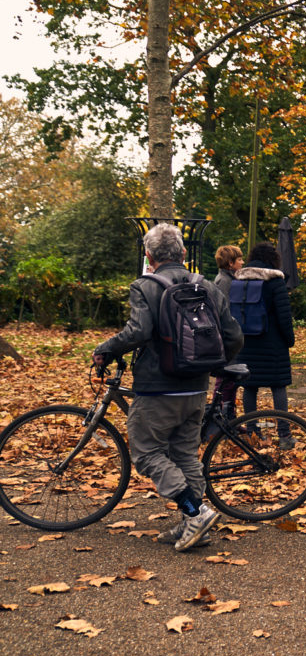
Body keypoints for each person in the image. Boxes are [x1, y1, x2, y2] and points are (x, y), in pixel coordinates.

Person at [92, 223, 242, 552]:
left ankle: (196, 512)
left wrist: (107, 349)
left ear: (148, 256)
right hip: (194, 388)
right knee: (185, 453)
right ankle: (192, 523)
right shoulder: (207, 286)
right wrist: (210, 366)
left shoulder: (145, 286)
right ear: (184, 253)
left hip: (157, 387)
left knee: (146, 453)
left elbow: (139, 330)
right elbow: (234, 337)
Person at [235, 242, 296, 448]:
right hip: (273, 344)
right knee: (278, 387)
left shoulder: (240, 281)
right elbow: (284, 316)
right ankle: (284, 436)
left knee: (249, 387)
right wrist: (289, 340)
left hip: (246, 342)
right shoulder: (275, 282)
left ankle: (252, 432)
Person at [208, 245, 243, 432]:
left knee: (229, 380)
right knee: (225, 379)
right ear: (230, 263)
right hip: (225, 338)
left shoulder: (228, 279)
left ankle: (229, 418)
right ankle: (221, 420)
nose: (242, 262)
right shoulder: (224, 282)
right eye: (239, 260)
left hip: (226, 337)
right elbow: (224, 313)